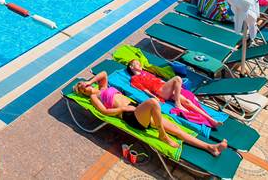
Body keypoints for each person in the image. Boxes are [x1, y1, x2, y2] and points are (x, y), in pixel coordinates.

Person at [73, 72, 228, 155]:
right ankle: (162, 135)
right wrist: (122, 110)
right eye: (82, 89)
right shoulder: (94, 97)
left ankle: (210, 147)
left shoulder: (103, 87)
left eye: (84, 84)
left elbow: (104, 73)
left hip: (136, 109)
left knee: (177, 129)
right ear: (84, 93)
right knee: (153, 102)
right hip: (130, 116)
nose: (85, 87)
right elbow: (105, 111)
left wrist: (88, 81)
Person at [126, 60, 222, 127]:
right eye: (137, 63)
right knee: (177, 78)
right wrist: (154, 96)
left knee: (188, 102)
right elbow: (144, 90)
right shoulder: (134, 79)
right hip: (160, 91)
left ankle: (211, 120)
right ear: (131, 67)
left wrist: (173, 86)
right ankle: (177, 103)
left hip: (165, 87)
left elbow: (159, 80)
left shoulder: (146, 73)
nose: (140, 64)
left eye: (139, 63)